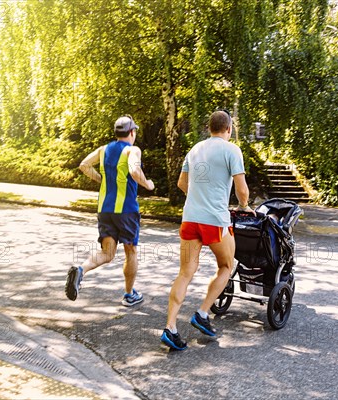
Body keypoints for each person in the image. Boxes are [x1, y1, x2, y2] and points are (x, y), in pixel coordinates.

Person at [161, 110, 254, 350]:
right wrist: (244, 206)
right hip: (215, 220)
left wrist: (197, 199)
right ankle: (202, 313)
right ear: (229, 129)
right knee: (226, 266)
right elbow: (242, 190)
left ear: (209, 127)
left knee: (185, 273)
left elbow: (183, 183)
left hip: (190, 217)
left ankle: (170, 327)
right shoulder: (232, 150)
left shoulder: (194, 149)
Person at [66, 115, 155, 306]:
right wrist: (148, 184)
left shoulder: (104, 149)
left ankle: (81, 269)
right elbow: (133, 171)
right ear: (132, 132)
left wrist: (101, 179)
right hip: (126, 210)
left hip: (105, 209)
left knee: (107, 252)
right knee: (130, 251)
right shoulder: (133, 149)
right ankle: (129, 294)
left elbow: (84, 165)